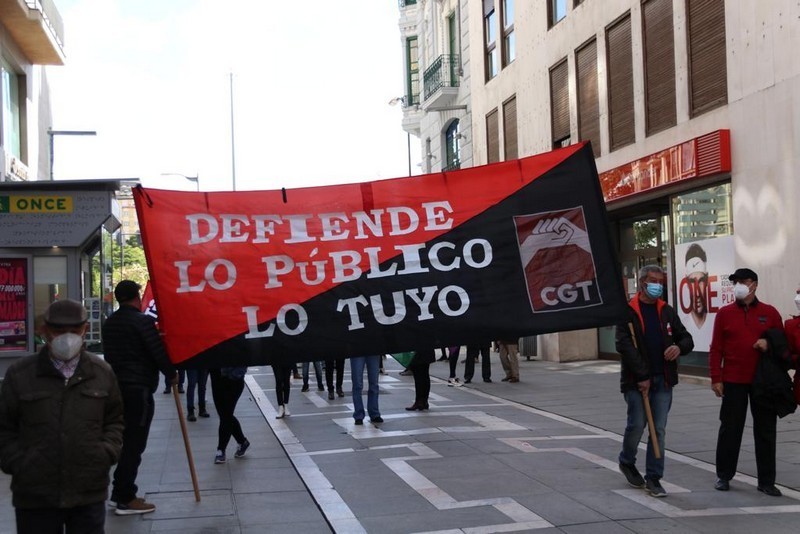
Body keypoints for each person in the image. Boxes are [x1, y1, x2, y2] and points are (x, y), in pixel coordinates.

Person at [0, 299, 124, 534]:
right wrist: (18, 462)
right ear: (44, 330)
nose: (67, 337)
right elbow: (5, 426)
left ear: (85, 329)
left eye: (74, 330)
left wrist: (106, 452)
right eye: (59, 330)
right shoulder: (21, 374)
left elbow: (114, 419)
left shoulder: (101, 373)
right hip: (35, 495)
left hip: (88, 491)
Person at [616, 265, 694, 498]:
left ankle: (654, 477)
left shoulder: (667, 311)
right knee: (637, 425)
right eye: (653, 280)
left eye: (660, 281)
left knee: (657, 429)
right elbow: (624, 346)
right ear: (641, 282)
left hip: (663, 380)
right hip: (636, 380)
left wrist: (678, 347)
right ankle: (627, 460)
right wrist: (642, 376)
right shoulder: (627, 312)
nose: (657, 285)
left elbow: (686, 337)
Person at [103, 280, 178, 515]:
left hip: (116, 389)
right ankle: (126, 496)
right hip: (139, 389)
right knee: (135, 443)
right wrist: (171, 373)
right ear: (136, 297)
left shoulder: (110, 323)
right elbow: (157, 351)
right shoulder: (143, 322)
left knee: (125, 440)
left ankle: (117, 494)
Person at [710, 268, 785, 496]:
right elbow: (716, 348)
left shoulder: (770, 313)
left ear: (754, 285)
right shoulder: (724, 313)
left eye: (743, 281)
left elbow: (782, 345)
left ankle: (766, 481)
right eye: (736, 282)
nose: (739, 285)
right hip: (733, 380)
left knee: (765, 431)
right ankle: (723, 475)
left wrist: (768, 344)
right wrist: (716, 378)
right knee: (730, 429)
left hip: (763, 381)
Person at [210, 366, 250, 463]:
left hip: (233, 379)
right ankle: (242, 441)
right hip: (216, 375)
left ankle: (221, 449)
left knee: (226, 415)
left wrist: (236, 374)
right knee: (224, 414)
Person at [350, 355, 383, 425]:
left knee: (374, 383)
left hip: (373, 350)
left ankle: (374, 413)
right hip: (356, 350)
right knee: (357, 384)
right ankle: (358, 414)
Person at [684, 244, 710, 330]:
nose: (697, 293)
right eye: (692, 282)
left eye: (701, 281)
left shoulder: (715, 323)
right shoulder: (682, 326)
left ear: (706, 281)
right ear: (687, 283)